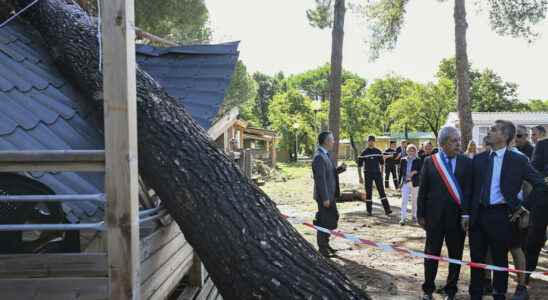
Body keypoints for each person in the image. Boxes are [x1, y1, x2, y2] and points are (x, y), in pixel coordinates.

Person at [465, 120, 546, 300]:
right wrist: (466, 213)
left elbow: (540, 185)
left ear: (505, 136)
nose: (489, 132)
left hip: (502, 216)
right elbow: (469, 190)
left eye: (493, 130)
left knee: (500, 260)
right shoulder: (478, 159)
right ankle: (476, 294)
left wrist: (524, 207)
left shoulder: (518, 160)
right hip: (478, 216)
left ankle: (499, 294)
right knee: (477, 259)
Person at [417, 126, 472, 300]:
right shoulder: (430, 161)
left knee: (455, 256)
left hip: (457, 220)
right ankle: (428, 289)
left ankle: (451, 290)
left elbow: (468, 191)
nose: (458, 144)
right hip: (434, 219)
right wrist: (420, 214)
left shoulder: (466, 162)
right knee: (431, 254)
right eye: (454, 141)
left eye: (459, 140)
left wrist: (466, 214)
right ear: (443, 143)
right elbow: (423, 191)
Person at [312, 131, 346, 258]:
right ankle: (322, 248)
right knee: (324, 221)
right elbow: (320, 180)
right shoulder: (319, 157)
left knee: (332, 219)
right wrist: (325, 198)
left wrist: (340, 169)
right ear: (326, 141)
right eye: (332, 139)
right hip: (324, 197)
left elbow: (329, 174)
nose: (333, 142)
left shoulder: (326, 155)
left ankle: (325, 244)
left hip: (330, 195)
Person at [526, 125, 548, 281]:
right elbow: (533, 171)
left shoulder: (542, 144)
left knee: (536, 236)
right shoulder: (543, 145)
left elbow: (533, 170)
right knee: (535, 236)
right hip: (543, 199)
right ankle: (527, 272)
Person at [358, 136, 392, 216]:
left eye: (372, 141)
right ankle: (369, 211)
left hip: (377, 174)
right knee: (369, 192)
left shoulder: (378, 151)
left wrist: (382, 173)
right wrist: (360, 177)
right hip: (367, 174)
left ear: (374, 142)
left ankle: (387, 210)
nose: (371, 142)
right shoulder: (364, 152)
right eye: (369, 141)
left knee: (381, 192)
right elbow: (359, 166)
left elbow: (382, 163)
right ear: (368, 142)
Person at [399, 144, 422, 225]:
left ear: (415, 151)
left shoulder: (418, 160)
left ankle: (414, 216)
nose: (411, 152)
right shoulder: (403, 160)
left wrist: (415, 172)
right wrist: (399, 183)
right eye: (409, 150)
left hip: (415, 183)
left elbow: (421, 171)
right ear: (407, 151)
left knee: (414, 201)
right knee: (404, 201)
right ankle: (403, 218)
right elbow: (400, 172)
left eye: (413, 150)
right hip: (405, 182)